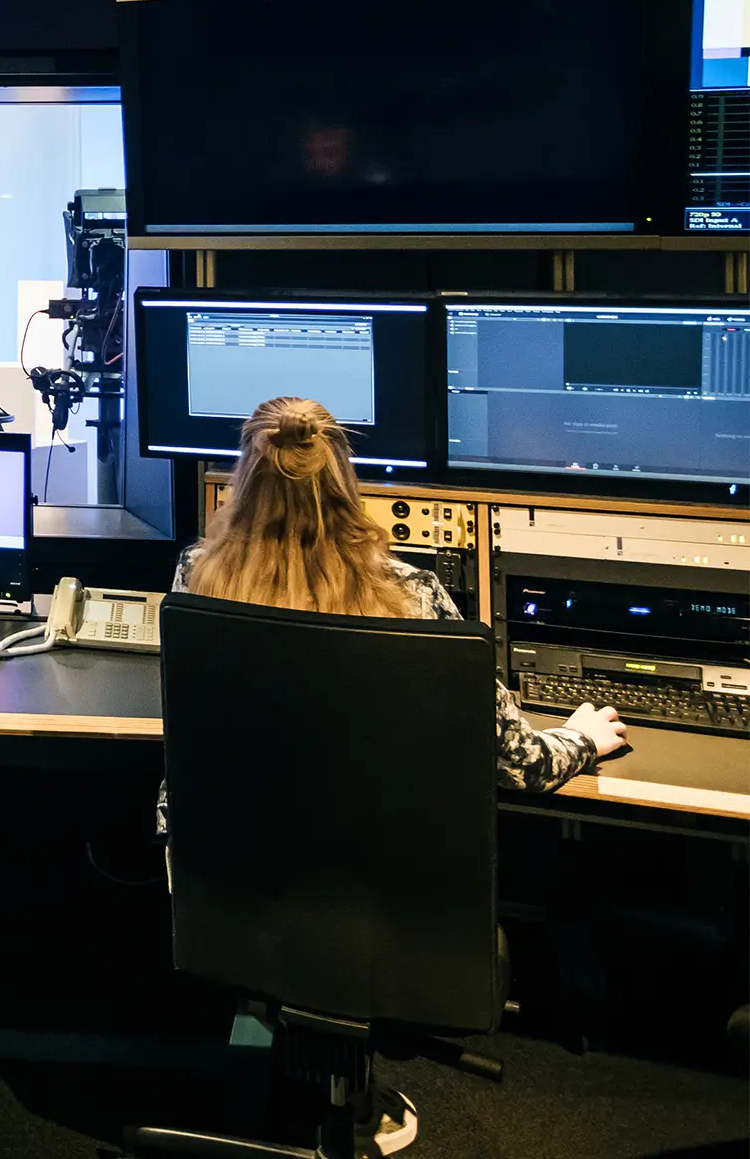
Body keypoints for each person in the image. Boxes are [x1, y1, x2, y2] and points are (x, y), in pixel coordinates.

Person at [162, 396, 628, 1158]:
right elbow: (520, 764)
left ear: (239, 484)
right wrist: (579, 737)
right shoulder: (415, 597)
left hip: (227, 899)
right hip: (395, 916)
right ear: (348, 486)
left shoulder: (193, 581)